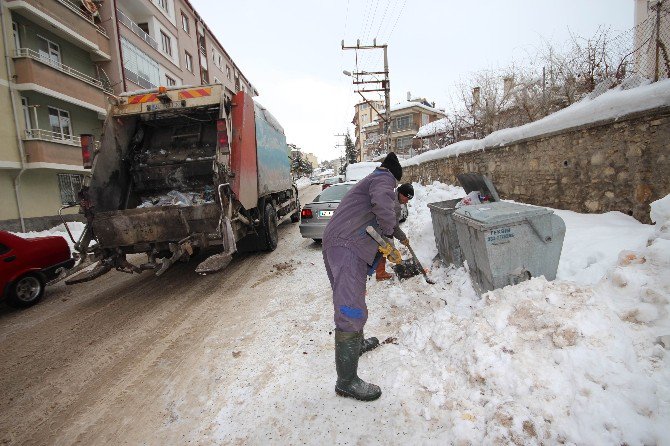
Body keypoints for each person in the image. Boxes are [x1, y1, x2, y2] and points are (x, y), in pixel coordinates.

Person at [322, 152, 403, 402]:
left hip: (342, 245)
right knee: (350, 309)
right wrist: (388, 234)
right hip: (347, 248)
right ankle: (346, 382)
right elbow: (382, 202)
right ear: (394, 175)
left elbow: (379, 213)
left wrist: (392, 236)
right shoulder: (383, 178)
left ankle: (356, 345)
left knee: (354, 299)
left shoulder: (370, 180)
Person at [375, 183, 415, 281]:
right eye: (406, 197)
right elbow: (388, 227)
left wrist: (403, 237)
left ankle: (380, 273)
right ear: (401, 193)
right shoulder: (394, 205)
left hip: (378, 227)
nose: (407, 201)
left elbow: (393, 226)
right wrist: (391, 249)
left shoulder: (395, 197)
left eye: (409, 199)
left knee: (382, 248)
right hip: (374, 227)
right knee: (383, 248)